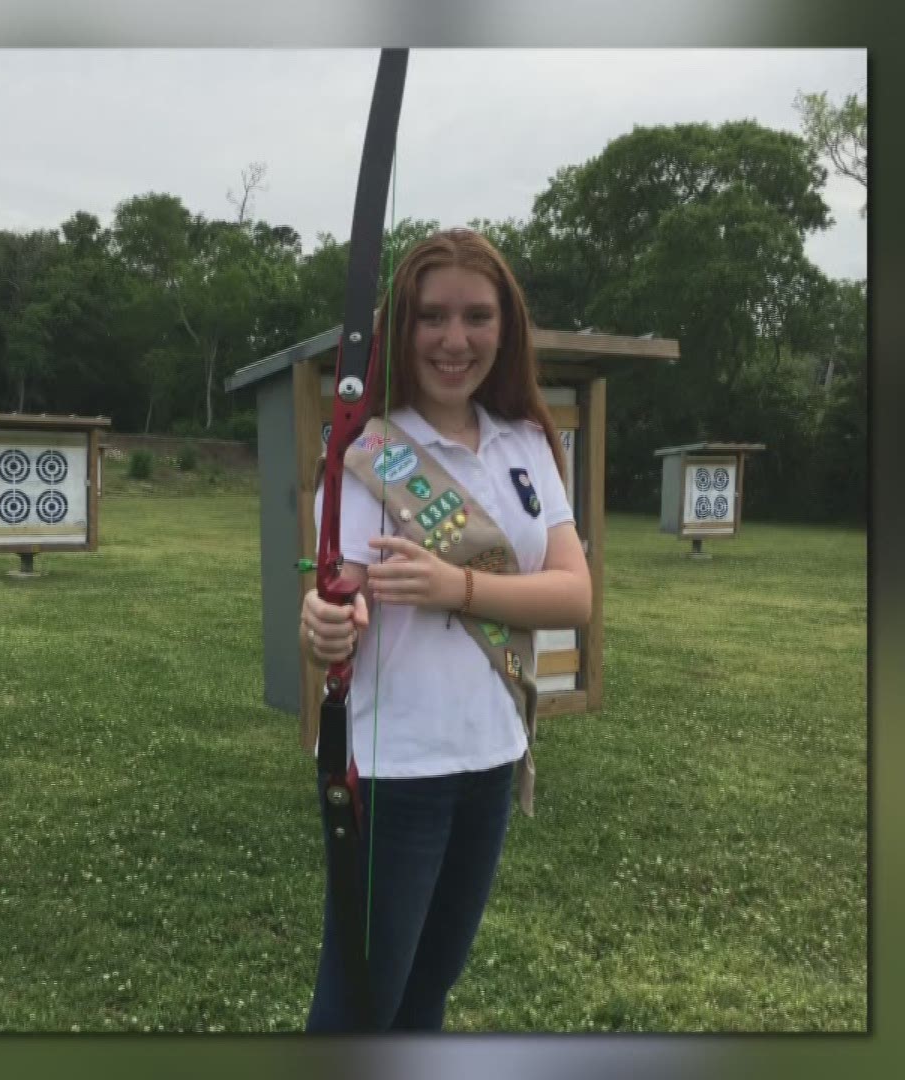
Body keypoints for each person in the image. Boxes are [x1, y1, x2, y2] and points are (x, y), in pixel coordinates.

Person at [301, 228, 593, 1031]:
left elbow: (574, 595)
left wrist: (455, 586)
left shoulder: (526, 442)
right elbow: (340, 597)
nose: (454, 340)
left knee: (427, 995)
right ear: (402, 327)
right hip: (398, 770)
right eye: (432, 317)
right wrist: (326, 622)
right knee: (361, 1006)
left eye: (477, 316)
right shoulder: (369, 454)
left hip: (492, 753)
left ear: (506, 328)